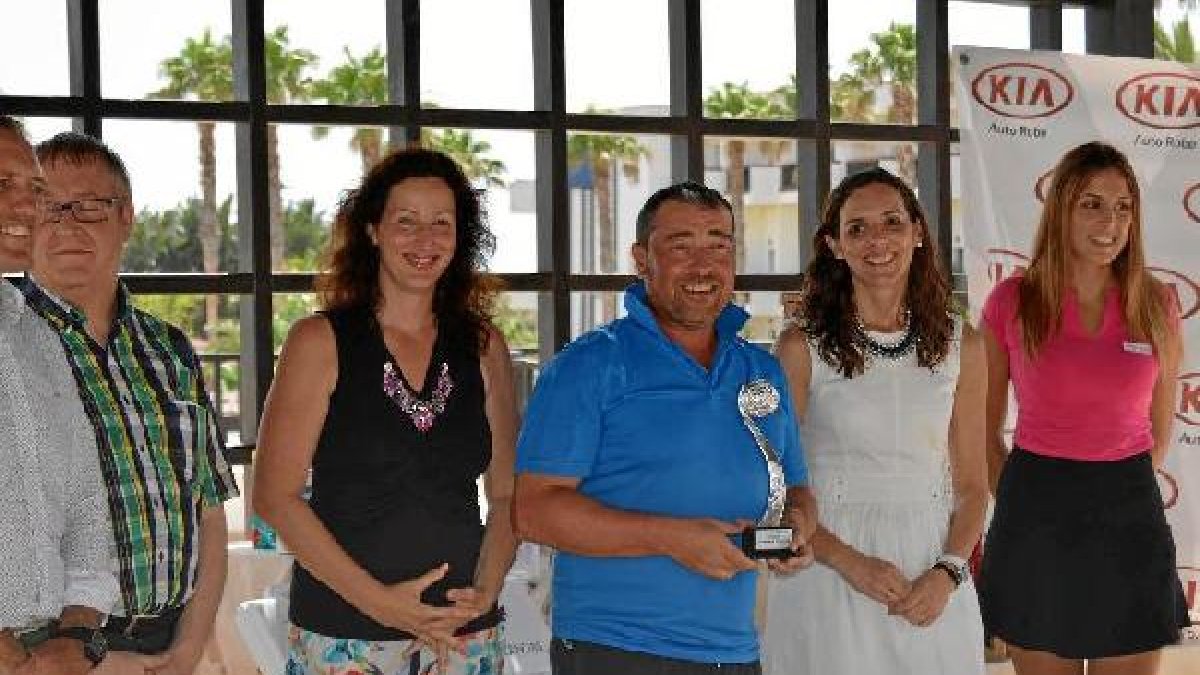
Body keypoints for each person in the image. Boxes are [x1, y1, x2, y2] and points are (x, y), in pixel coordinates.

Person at [513, 181, 817, 675]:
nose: (703, 266)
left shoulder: (760, 370)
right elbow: (533, 511)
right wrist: (671, 538)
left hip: (736, 651)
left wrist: (798, 528)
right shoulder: (588, 366)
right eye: (681, 246)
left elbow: (797, 486)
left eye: (718, 245)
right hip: (617, 650)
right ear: (642, 259)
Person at [253, 147, 519, 675]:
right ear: (373, 230)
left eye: (441, 223)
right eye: (406, 222)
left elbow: (509, 492)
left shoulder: (485, 345)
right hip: (345, 639)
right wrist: (382, 603)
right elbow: (275, 497)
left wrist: (487, 588)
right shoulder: (320, 340)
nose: (425, 240)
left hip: (463, 638)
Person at [21, 131, 239, 674]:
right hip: (48, 654)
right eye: (48, 205)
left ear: (127, 218)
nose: (68, 223)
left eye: (91, 205)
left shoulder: (170, 349)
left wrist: (190, 645)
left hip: (171, 647)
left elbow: (210, 509)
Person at [764, 167, 988, 674]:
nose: (877, 240)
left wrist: (947, 573)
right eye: (857, 228)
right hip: (826, 571)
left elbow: (974, 486)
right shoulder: (802, 348)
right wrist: (847, 561)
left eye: (891, 222)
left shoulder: (964, 345)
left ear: (917, 232)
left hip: (931, 572)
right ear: (835, 246)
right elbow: (772, 487)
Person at [978, 141, 1188, 674]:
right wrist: (1023, 498)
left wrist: (1123, 480)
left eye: (1123, 207)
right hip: (1036, 513)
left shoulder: (1157, 302)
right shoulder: (1013, 302)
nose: (1110, 222)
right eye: (1091, 204)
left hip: (1129, 512)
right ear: (1061, 210)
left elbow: (1160, 426)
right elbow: (979, 427)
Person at [0, 117, 117, 675]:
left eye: (35, 188)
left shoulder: (39, 338)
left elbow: (88, 507)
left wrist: (77, 638)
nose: (29, 207)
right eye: (3, 185)